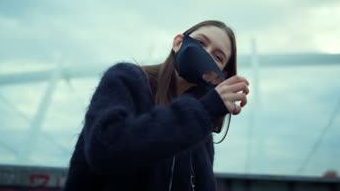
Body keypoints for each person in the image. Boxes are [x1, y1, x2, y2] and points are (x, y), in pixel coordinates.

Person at [64, 20, 250, 191]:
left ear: (218, 75)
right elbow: (104, 150)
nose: (205, 53)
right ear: (178, 43)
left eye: (218, 56)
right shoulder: (126, 78)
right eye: (201, 43)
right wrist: (204, 110)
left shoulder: (200, 129)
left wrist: (203, 113)